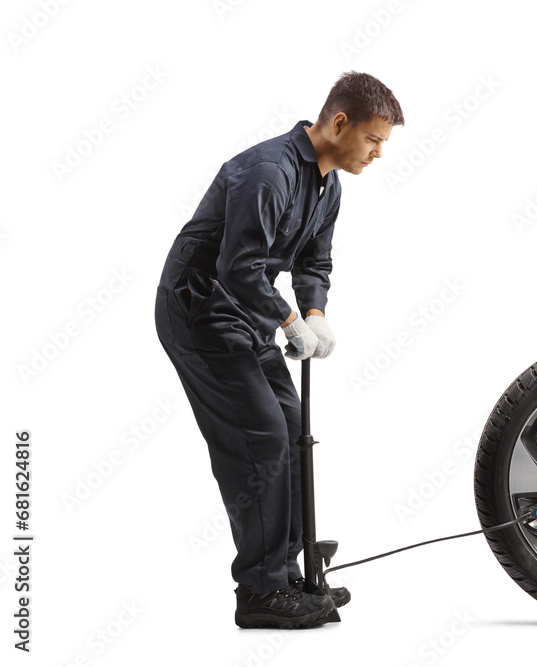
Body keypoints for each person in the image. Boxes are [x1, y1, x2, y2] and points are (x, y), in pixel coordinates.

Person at [153, 71, 404, 629]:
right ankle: (261, 592)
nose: (380, 153)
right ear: (340, 123)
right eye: (374, 139)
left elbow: (314, 262)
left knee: (292, 429)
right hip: (199, 312)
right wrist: (289, 321)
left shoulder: (328, 184)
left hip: (243, 313)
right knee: (259, 438)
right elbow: (237, 267)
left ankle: (289, 574)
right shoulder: (268, 172)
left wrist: (314, 312)